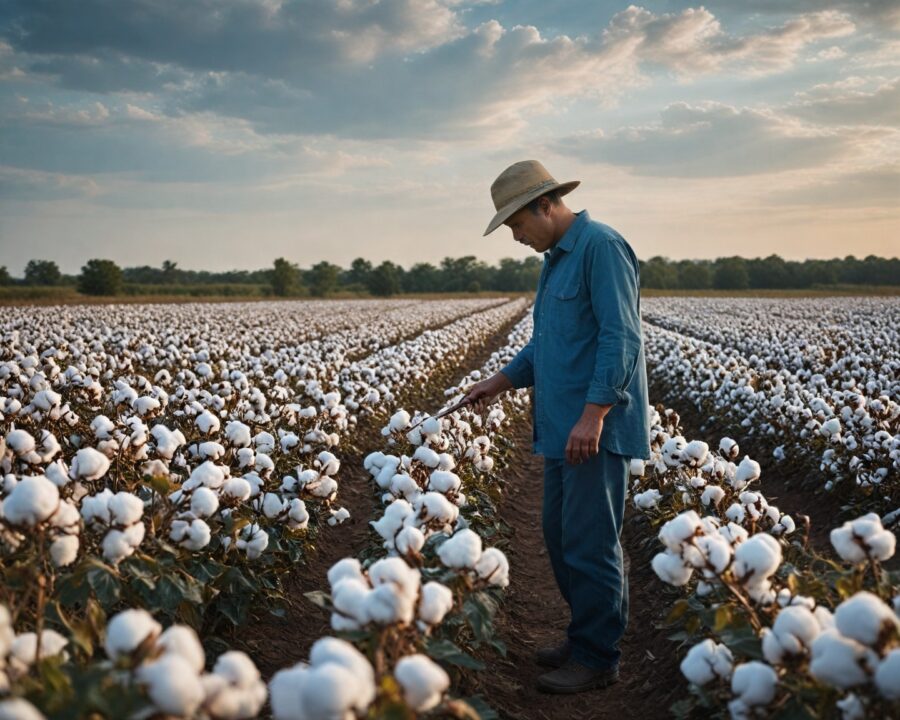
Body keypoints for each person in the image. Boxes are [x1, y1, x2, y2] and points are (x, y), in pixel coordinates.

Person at [463, 159, 650, 694]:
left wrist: (594, 415)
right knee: (560, 535)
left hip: (595, 428)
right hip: (562, 426)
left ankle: (597, 656)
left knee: (591, 544)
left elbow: (622, 338)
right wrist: (499, 380)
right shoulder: (555, 261)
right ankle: (584, 633)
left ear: (545, 206)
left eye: (517, 225)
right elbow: (549, 343)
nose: (515, 237)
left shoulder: (601, 248)